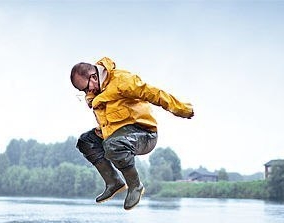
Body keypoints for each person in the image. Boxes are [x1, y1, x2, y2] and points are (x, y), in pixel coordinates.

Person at [70, 57, 194, 210]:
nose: (87, 92)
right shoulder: (96, 93)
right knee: (86, 141)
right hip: (117, 135)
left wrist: (181, 109)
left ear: (94, 77)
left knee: (113, 144)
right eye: (82, 91)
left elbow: (154, 93)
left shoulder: (122, 81)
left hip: (144, 133)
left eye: (86, 88)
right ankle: (113, 182)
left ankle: (135, 186)